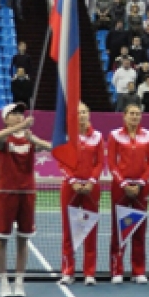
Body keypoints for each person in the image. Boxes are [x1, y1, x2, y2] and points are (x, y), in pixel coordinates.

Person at [0, 103, 51, 297]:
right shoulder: (4, 138)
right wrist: (19, 128)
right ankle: (3, 281)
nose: (19, 116)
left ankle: (19, 281)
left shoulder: (28, 139)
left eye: (21, 113)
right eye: (14, 113)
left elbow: (52, 148)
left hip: (27, 192)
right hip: (6, 192)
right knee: (1, 238)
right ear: (5, 119)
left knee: (23, 238)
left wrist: (33, 138)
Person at [107, 104, 149, 284]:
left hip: (142, 189)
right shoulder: (115, 135)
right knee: (119, 229)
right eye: (131, 114)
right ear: (124, 116)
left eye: (137, 114)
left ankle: (138, 271)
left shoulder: (148, 136)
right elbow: (111, 163)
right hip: (120, 188)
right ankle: (117, 270)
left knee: (139, 230)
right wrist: (124, 183)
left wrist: (141, 183)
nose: (135, 117)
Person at [59, 103, 104, 286]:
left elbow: (100, 162)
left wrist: (91, 181)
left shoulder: (98, 136)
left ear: (89, 114)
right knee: (68, 230)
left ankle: (89, 273)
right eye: (78, 113)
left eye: (84, 112)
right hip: (70, 188)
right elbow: (62, 161)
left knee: (90, 230)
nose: (82, 115)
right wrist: (73, 181)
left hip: (91, 188)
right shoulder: (66, 136)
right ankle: (68, 271)